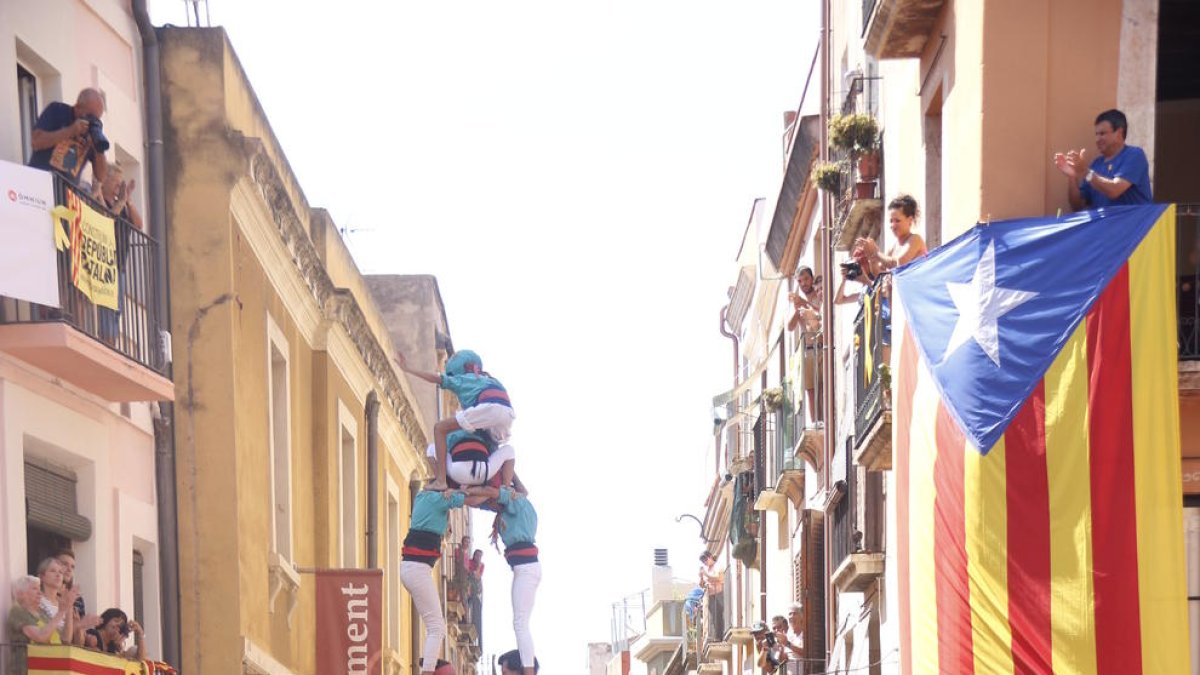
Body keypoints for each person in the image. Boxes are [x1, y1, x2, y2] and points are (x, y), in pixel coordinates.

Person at [397, 349, 515, 491]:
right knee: (494, 446)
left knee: (440, 428)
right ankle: (508, 487)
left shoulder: (463, 380)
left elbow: (437, 379)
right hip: (507, 415)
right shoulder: (490, 380)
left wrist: (408, 369)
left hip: (489, 408)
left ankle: (441, 481)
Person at [467, 485, 540, 675]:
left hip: (527, 569)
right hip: (524, 569)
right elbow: (478, 501)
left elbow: (493, 493)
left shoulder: (516, 501)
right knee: (520, 623)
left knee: (520, 623)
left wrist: (469, 491)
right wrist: (459, 496)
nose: (490, 506)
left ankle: (529, 671)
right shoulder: (507, 507)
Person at [400, 487, 467, 674]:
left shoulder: (423, 497)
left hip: (413, 569)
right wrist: (466, 490)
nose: (448, 529)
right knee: (437, 627)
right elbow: (471, 500)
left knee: (436, 627)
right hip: (417, 570)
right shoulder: (439, 499)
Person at [1054, 108, 1153, 211]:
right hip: (1104, 222)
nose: (1097, 139)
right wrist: (1072, 177)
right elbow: (1077, 206)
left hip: (1133, 221)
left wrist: (1085, 172)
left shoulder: (1134, 155)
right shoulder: (1096, 164)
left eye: (1102, 134)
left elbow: (1114, 190)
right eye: (1096, 134)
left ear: (1119, 133)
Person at [97, 163, 144, 346]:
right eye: (116, 182)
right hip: (106, 264)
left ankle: (111, 346)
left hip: (120, 266)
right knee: (108, 310)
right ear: (105, 181)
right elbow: (107, 219)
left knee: (117, 311)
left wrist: (128, 200)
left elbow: (138, 224)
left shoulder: (123, 205)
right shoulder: (101, 199)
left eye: (120, 183)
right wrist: (121, 202)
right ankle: (107, 346)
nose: (119, 186)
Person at [27, 88, 109, 187]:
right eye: (90, 116)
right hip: (38, 183)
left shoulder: (92, 131)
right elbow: (36, 142)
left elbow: (101, 177)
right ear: (77, 107)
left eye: (96, 119)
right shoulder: (57, 110)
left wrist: (98, 148)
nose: (92, 121)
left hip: (67, 192)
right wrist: (71, 131)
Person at [8, 574, 76, 675]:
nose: (39, 592)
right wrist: (61, 612)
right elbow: (40, 637)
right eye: (34, 589)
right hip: (26, 670)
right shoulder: (18, 611)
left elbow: (65, 639)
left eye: (39, 589)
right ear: (20, 593)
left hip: (48, 669)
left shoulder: (43, 614)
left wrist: (69, 607)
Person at [788, 268, 824, 423]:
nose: (804, 284)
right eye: (800, 281)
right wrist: (797, 310)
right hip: (808, 350)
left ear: (812, 278)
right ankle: (816, 421)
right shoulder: (798, 303)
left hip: (822, 346)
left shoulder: (819, 295)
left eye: (806, 279)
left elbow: (821, 312)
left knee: (823, 386)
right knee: (811, 390)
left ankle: (826, 419)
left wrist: (804, 303)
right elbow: (790, 327)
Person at [699, 551, 726, 638]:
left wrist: (706, 574)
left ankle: (720, 636)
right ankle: (717, 636)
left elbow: (718, 578)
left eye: (705, 559)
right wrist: (701, 577)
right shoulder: (706, 570)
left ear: (710, 557)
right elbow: (701, 585)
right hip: (710, 596)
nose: (705, 562)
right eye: (703, 561)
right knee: (714, 617)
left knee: (719, 616)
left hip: (718, 594)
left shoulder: (717, 566)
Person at [783, 603, 805, 675]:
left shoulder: (806, 634)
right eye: (790, 614)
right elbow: (783, 659)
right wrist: (780, 648)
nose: (791, 616)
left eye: (794, 613)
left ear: (801, 616)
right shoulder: (788, 635)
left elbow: (805, 652)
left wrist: (787, 644)